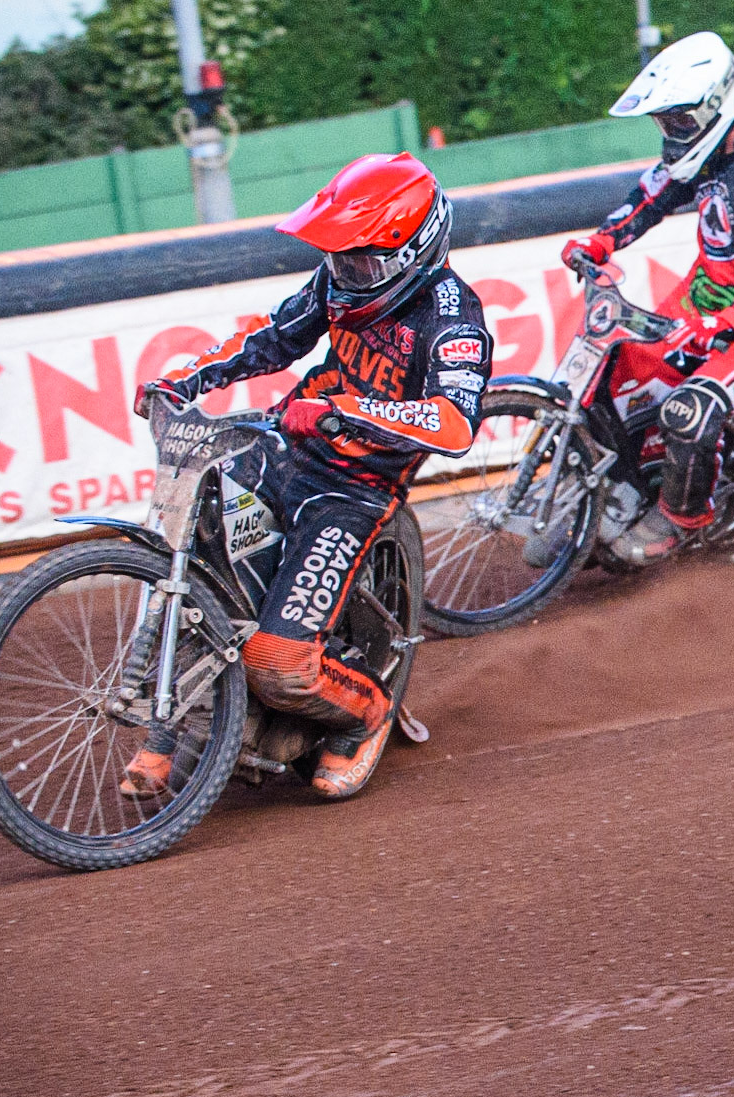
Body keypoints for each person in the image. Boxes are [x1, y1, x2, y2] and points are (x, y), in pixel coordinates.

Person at [128, 152, 491, 800]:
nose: (347, 273)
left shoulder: (452, 316)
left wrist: (343, 411)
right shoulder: (334, 280)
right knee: (190, 524)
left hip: (354, 489)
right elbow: (271, 338)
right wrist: (186, 378)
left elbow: (453, 423)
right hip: (283, 444)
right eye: (341, 259)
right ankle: (177, 723)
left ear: (414, 251)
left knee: (278, 664)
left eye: (362, 262)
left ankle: (368, 711)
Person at [561, 30, 734, 564]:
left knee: (689, 409)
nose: (673, 133)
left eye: (680, 121)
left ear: (718, 105)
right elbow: (651, 196)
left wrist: (731, 318)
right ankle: (624, 491)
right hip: (700, 303)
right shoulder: (702, 157)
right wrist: (602, 239)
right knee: (612, 369)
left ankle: (680, 520)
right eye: (666, 122)